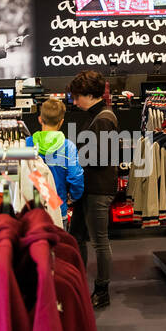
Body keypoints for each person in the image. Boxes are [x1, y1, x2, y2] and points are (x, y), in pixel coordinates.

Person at [67, 70, 118, 309]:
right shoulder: (96, 116)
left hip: (98, 188)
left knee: (99, 240)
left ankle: (102, 289)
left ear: (90, 94)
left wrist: (75, 159)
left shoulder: (104, 118)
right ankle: (78, 285)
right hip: (87, 187)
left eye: (77, 97)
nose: (75, 102)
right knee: (77, 237)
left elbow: (102, 158)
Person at [31, 98, 84, 221]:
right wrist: (73, 197)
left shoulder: (27, 144)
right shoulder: (68, 147)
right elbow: (76, 176)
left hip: (33, 211)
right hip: (58, 211)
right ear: (61, 122)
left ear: (40, 119)